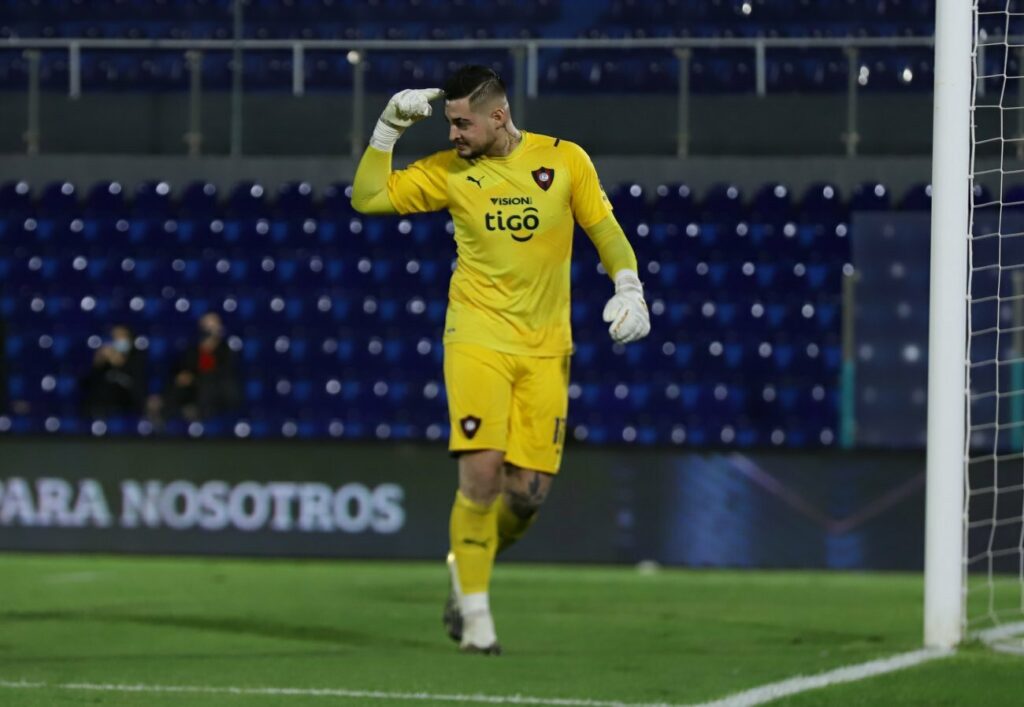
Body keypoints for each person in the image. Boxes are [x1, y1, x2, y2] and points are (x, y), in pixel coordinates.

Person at [351, 65, 650, 655]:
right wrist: (387, 128)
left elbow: (605, 230)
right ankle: (477, 620)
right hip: (476, 337)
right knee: (483, 472)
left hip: (545, 347)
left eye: (463, 122)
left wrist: (629, 287)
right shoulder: (449, 172)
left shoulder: (566, 161)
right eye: (449, 122)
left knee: (526, 495)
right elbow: (367, 198)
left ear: (498, 116)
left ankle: (468, 566)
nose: (454, 132)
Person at [164, 312, 241, 421]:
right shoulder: (193, 349)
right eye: (206, 326)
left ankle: (199, 416)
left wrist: (195, 378)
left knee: (207, 386)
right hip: (194, 387)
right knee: (176, 384)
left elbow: (224, 373)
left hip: (217, 389)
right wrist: (183, 376)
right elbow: (183, 367)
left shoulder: (225, 350)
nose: (209, 329)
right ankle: (166, 421)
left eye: (212, 326)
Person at [80, 324, 147, 418]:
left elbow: (137, 386)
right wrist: (97, 364)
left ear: (130, 338)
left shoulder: (137, 358)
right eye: (115, 336)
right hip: (105, 406)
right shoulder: (105, 361)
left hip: (129, 404)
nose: (117, 339)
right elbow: (87, 383)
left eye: (121, 336)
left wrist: (118, 362)